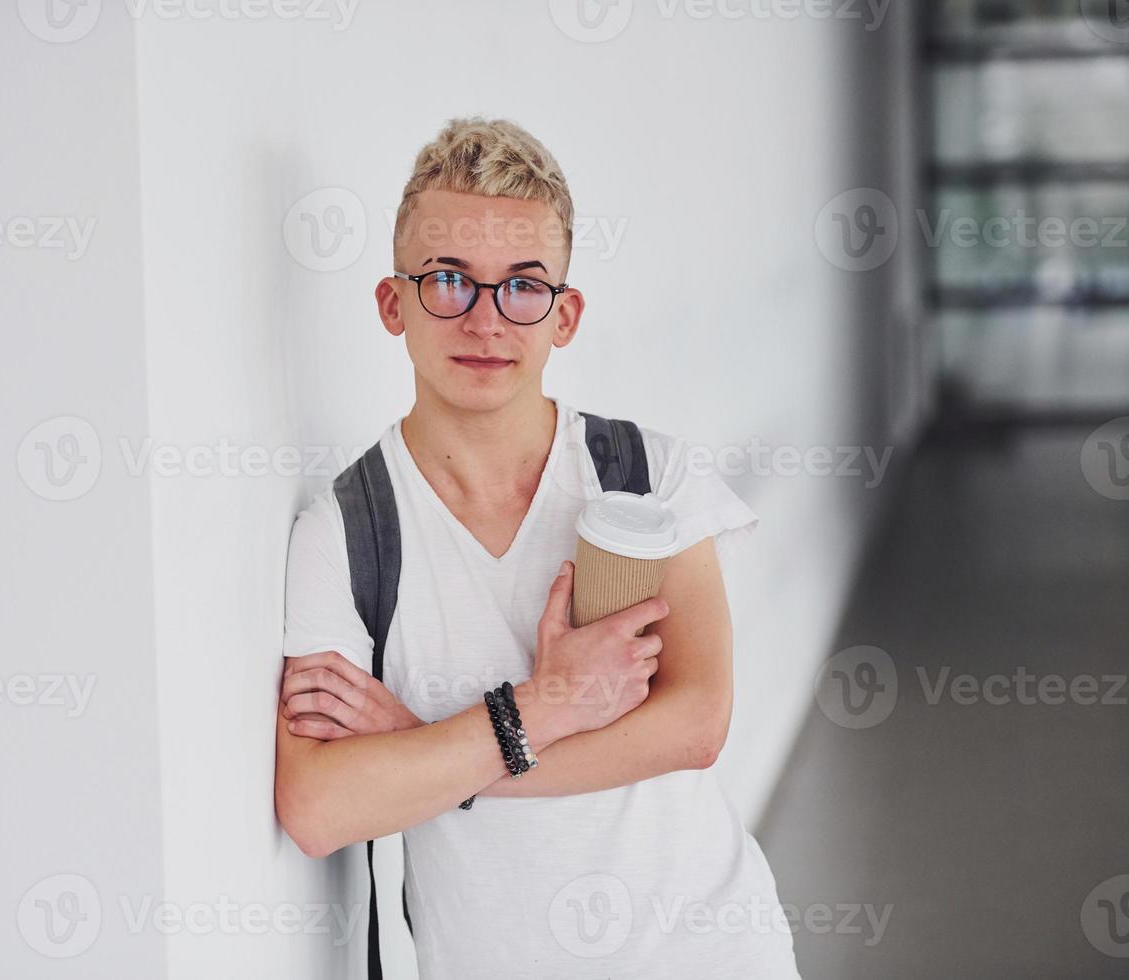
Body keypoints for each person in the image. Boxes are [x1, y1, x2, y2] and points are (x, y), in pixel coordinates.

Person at [274, 116, 800, 979]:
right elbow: (320, 808)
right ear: (391, 302)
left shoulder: (643, 477)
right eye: (448, 280)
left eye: (522, 287)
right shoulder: (348, 532)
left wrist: (439, 753)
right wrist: (546, 704)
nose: (486, 320)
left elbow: (696, 725)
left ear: (566, 315)